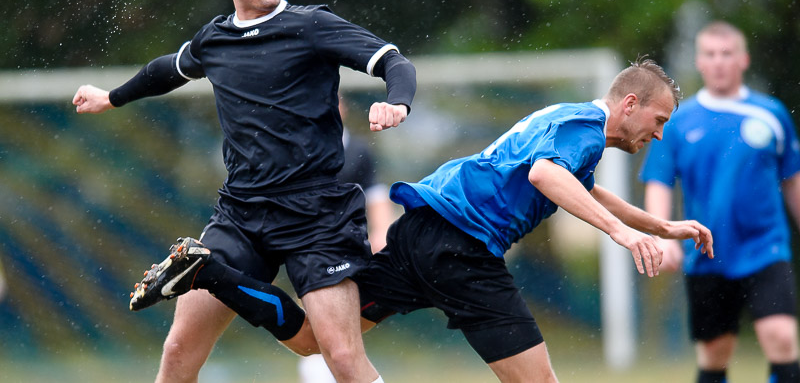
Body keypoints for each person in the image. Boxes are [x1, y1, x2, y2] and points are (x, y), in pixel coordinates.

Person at [143, 58, 715, 382]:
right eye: (659, 119)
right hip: (462, 249)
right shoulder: (582, 131)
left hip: (422, 232)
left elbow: (578, 185)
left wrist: (663, 227)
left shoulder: (571, 123)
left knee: (315, 341)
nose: (659, 133)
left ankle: (209, 272)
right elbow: (546, 175)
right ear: (629, 104)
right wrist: (622, 235)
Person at [72, 0, 416, 383]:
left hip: (316, 215)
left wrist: (398, 102)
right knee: (178, 350)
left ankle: (213, 274)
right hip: (241, 214)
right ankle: (211, 272)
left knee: (337, 354)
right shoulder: (214, 40)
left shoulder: (311, 25)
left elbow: (393, 61)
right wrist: (111, 97)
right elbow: (167, 70)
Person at [640, 22, 800, 383]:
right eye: (710, 54)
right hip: (707, 252)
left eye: (727, 54)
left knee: (781, 337)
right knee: (714, 354)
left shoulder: (771, 114)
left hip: (765, 248)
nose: (719, 62)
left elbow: (793, 180)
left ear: (743, 59)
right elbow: (659, 182)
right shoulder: (678, 121)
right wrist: (663, 236)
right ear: (699, 62)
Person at [298, 96, 399, 383]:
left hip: (347, 248)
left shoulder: (357, 150)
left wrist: (382, 232)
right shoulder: (297, 150)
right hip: (306, 248)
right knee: (317, 328)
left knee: (343, 331)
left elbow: (376, 194)